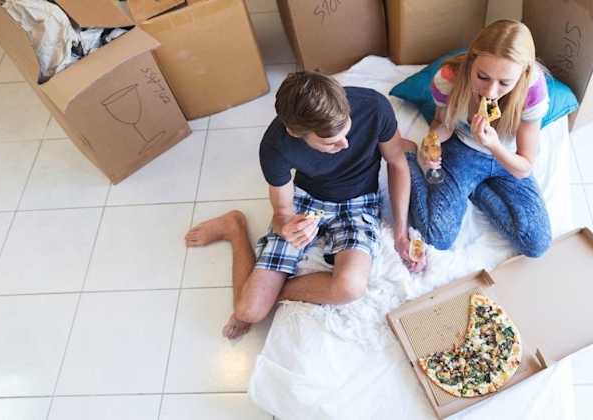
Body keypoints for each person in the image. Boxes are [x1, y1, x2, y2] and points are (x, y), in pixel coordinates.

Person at [186, 71, 419, 340]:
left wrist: (401, 233)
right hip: (307, 201)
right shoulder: (276, 147)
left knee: (350, 288)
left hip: (359, 202)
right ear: (296, 132)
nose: (344, 145)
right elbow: (282, 212)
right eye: (330, 143)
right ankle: (234, 227)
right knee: (248, 311)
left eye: (346, 131)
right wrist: (287, 226)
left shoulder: (374, 106)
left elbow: (397, 162)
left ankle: (270, 295)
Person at [401, 19, 552, 257]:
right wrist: (429, 145)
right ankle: (406, 155)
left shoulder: (533, 90)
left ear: (522, 74)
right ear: (471, 62)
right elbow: (443, 125)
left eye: (504, 83)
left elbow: (523, 167)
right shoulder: (448, 78)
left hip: (509, 160)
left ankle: (475, 189)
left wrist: (493, 145)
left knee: (537, 243)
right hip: (462, 151)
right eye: (482, 77)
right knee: (436, 236)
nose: (490, 92)